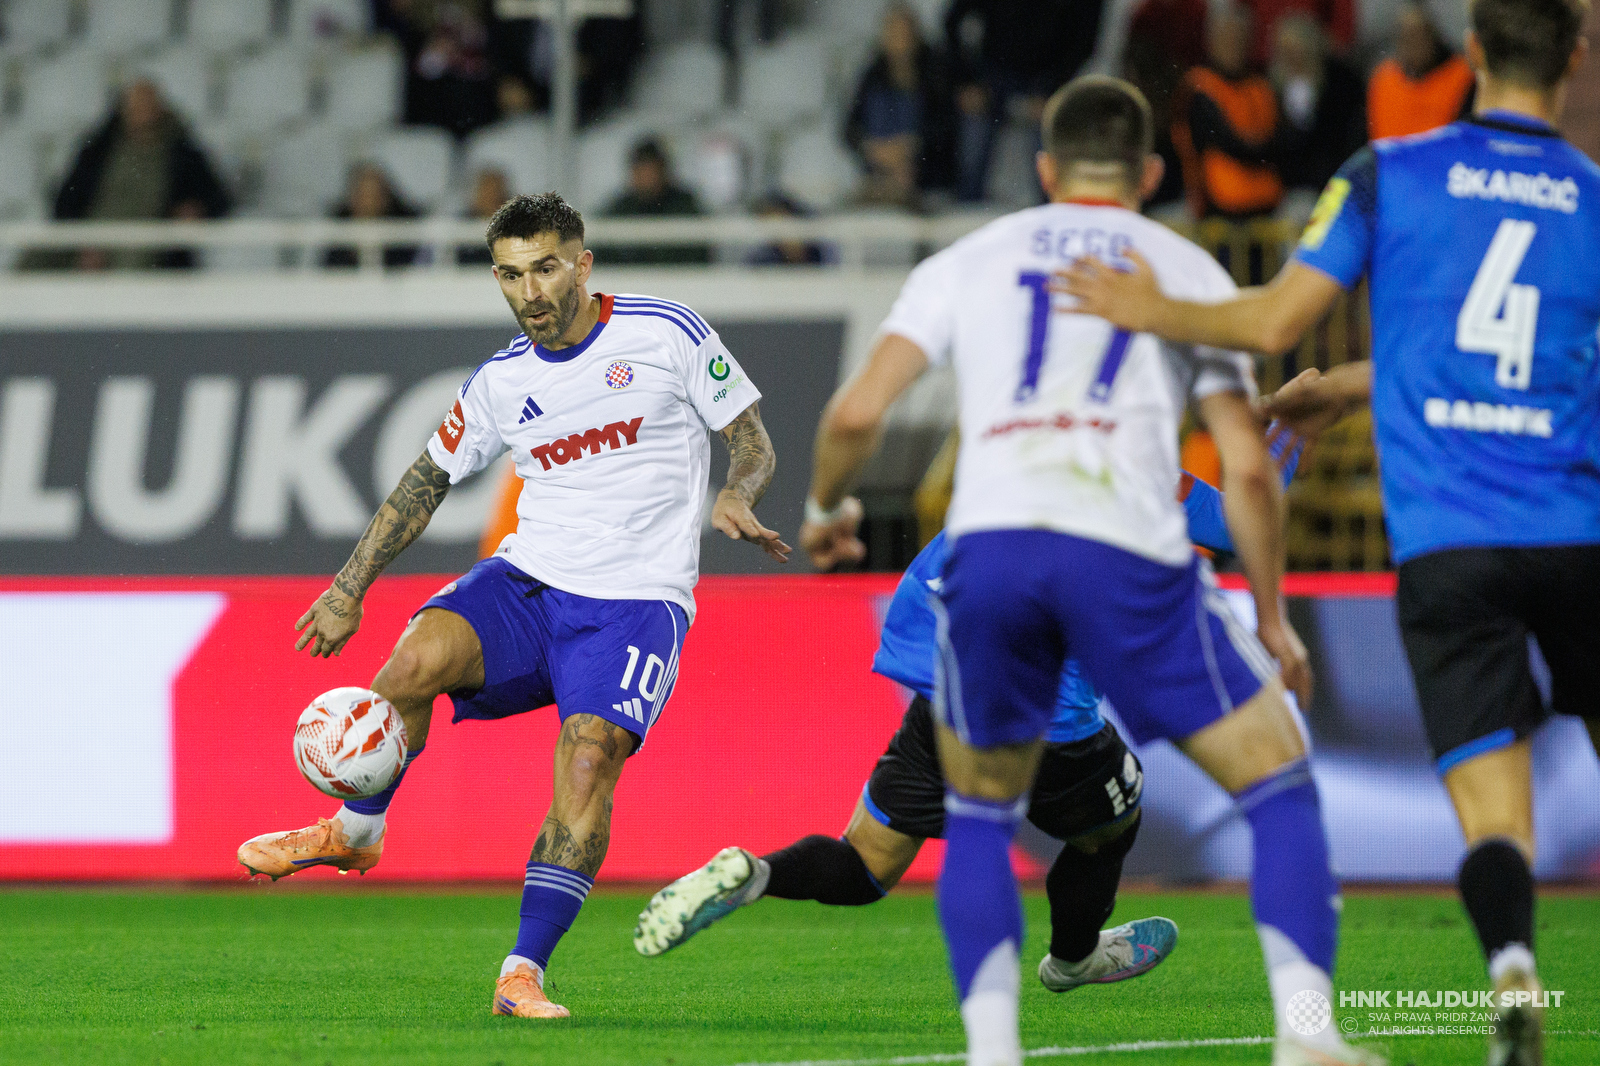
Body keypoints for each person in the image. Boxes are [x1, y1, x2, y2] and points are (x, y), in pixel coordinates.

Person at [798, 75, 1380, 1066]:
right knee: (1276, 781)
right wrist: (1274, 615)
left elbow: (855, 414)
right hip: (1125, 550)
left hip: (993, 556)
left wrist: (825, 511)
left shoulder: (968, 259)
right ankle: (1307, 1037)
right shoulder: (1185, 268)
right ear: (1153, 173)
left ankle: (993, 1050)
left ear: (1042, 168)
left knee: (977, 810)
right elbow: (1243, 465)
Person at [1061, 2, 1594, 1061]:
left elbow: (1268, 322)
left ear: (1473, 52)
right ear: (1575, 58)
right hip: (1577, 534)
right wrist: (1355, 389)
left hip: (1450, 549)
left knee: (1494, 812)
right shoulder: (1593, 198)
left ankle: (1511, 970)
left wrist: (1149, 307)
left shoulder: (1388, 169)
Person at [237, 193, 790, 1021]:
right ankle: (354, 834)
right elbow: (425, 480)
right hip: (530, 581)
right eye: (509, 274)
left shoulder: (666, 331)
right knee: (412, 663)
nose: (530, 291)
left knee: (588, 759)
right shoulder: (503, 381)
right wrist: (350, 586)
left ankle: (521, 971)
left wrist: (738, 494)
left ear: (582, 263)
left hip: (634, 604)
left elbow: (750, 436)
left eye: (545, 268)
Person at [632, 434, 1304, 988]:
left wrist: (823, 506)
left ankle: (757, 874)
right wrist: (1286, 438)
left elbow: (855, 423)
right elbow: (1244, 524)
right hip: (1041, 711)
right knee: (1111, 821)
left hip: (943, 682)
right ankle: (1074, 959)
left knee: (866, 864)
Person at [49, 77, 231, 271]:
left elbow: (219, 199)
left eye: (147, 105)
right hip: (96, 239)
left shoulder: (183, 153)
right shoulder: (98, 150)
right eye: (136, 105)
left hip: (153, 244)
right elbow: (66, 201)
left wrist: (195, 209)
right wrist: (82, 242)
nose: (141, 112)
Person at [945, 0, 1105, 203]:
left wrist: (1052, 91)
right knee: (970, 167)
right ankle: (966, 219)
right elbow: (953, 20)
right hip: (992, 74)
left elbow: (1086, 40)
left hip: (1046, 79)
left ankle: (1053, 220)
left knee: (1052, 171)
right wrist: (966, 80)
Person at [1173, 6, 1284, 220]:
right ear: (1212, 42)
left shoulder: (1261, 86)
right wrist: (1257, 147)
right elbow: (1221, 140)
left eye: (1240, 39)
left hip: (1267, 202)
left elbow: (1279, 137)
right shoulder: (1200, 85)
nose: (1234, 46)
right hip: (1218, 206)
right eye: (1227, 39)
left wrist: (1259, 147)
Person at [844, 2, 957, 207]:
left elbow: (947, 125)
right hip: (880, 165)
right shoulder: (873, 75)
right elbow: (849, 128)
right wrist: (871, 148)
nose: (899, 42)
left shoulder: (935, 71)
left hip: (924, 170)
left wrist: (912, 147)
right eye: (893, 33)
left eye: (903, 34)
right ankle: (886, 185)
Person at [1271, 14, 1365, 200]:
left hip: (1334, 183)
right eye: (1286, 51)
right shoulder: (1272, 89)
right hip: (1290, 190)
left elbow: (1348, 138)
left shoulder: (1340, 84)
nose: (1294, 59)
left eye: (1298, 50)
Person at [1367, 1, 1476, 140]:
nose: (1413, 46)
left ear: (1434, 38)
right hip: (1391, 160)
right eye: (1407, 38)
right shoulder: (1382, 80)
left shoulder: (1462, 78)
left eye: (1419, 37)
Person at [600, 137, 711, 266]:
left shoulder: (685, 206)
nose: (646, 177)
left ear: (663, 170)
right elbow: (605, 256)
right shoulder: (619, 210)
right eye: (641, 170)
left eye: (651, 169)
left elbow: (698, 255)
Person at [322, 163, 421, 269]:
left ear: (386, 199)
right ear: (352, 198)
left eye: (375, 195)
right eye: (363, 195)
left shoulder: (402, 239)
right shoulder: (335, 236)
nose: (369, 203)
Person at [456, 167, 513, 266]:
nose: (491, 197)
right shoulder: (461, 226)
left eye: (496, 191)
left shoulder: (515, 226)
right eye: (486, 191)